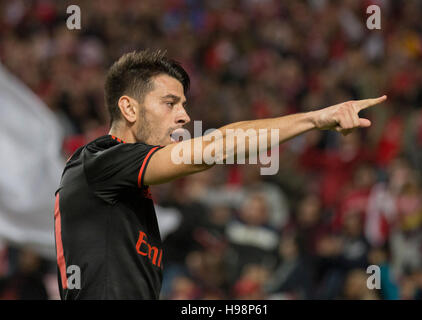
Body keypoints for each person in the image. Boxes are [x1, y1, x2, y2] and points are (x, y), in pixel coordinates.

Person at [54, 49, 387, 299]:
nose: (184, 116)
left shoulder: (120, 182)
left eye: (184, 104)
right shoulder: (101, 160)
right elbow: (220, 145)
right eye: (170, 103)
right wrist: (314, 120)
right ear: (129, 108)